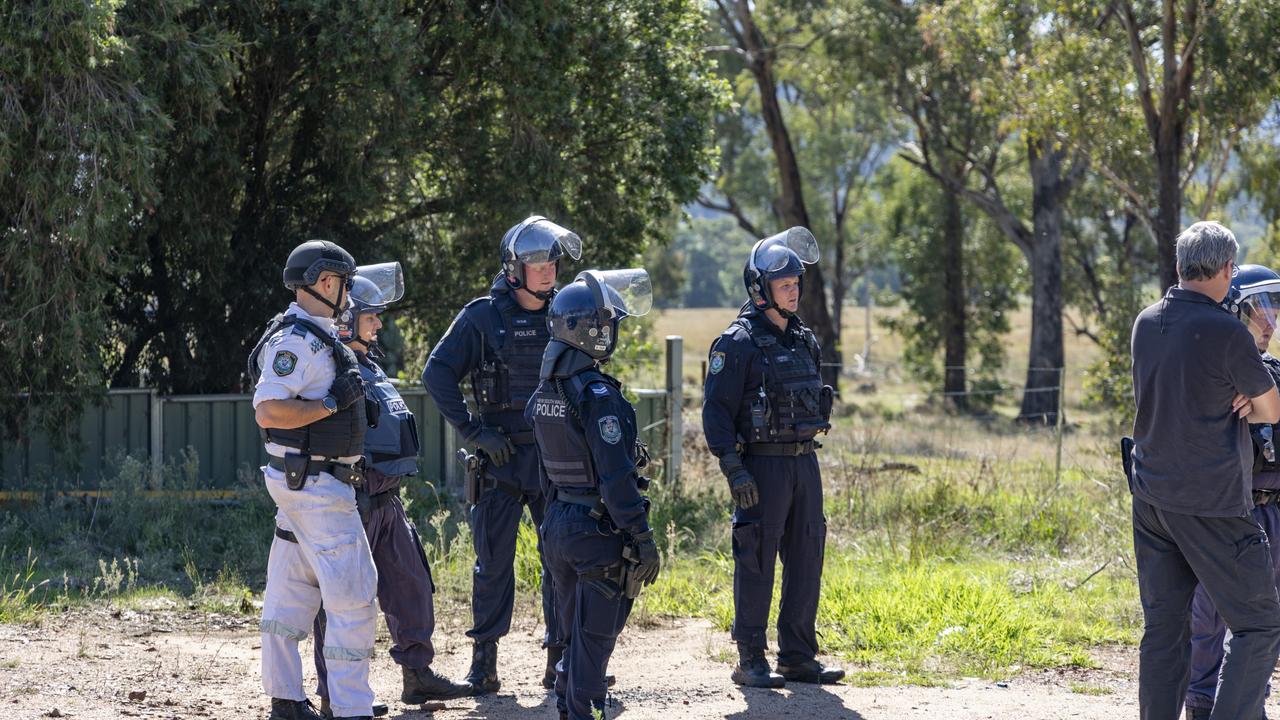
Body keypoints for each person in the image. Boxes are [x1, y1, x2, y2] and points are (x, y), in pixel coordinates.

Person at [422, 216, 582, 692]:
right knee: (493, 563)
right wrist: (473, 432)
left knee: (562, 559)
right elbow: (437, 374)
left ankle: (562, 661)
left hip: (555, 458)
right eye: (536, 261)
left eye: (552, 259)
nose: (548, 269)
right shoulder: (482, 317)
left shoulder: (566, 313)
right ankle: (484, 665)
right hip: (500, 459)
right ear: (514, 268)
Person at [1128, 221, 1280, 720]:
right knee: (1259, 624)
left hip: (1151, 498)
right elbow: (1271, 409)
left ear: (1179, 265)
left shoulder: (1146, 321)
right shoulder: (1227, 332)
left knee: (1164, 629)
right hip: (1212, 503)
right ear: (1227, 269)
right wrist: (1244, 401)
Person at [310, 262, 472, 718]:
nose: (380, 322)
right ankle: (336, 694)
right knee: (344, 601)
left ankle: (417, 676)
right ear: (345, 320)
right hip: (351, 501)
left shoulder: (370, 367)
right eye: (370, 316)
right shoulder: (328, 369)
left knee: (412, 587)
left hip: (387, 502)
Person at [701, 227, 844, 689]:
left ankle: (798, 657)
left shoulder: (803, 339)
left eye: (797, 283)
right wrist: (733, 467)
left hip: (805, 463)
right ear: (759, 289)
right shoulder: (736, 343)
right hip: (760, 468)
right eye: (785, 284)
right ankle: (749, 659)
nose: (794, 291)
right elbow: (716, 413)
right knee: (756, 561)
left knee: (807, 557)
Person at [248, 240, 376, 720]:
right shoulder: (298, 341)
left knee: (291, 591)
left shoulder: (309, 334)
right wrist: (329, 405)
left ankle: (286, 701)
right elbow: (268, 409)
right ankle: (351, 709)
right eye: (344, 283)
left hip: (301, 485)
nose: (348, 293)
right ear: (326, 283)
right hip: (319, 488)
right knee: (355, 599)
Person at [528, 268, 661, 720]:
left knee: (571, 635)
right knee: (594, 641)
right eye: (603, 323)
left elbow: (546, 470)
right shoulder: (598, 395)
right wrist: (641, 538)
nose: (610, 330)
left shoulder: (547, 389)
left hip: (559, 527)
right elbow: (616, 477)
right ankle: (582, 710)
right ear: (585, 331)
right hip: (596, 531)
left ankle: (571, 706)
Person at [1183, 263, 1280, 720]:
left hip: (1272, 512)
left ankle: (1245, 707)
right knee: (1206, 615)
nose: (1268, 322)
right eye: (1259, 308)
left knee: (1260, 624)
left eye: (1274, 309)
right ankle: (1201, 703)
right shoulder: (1209, 371)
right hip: (1221, 509)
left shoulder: (1273, 374)